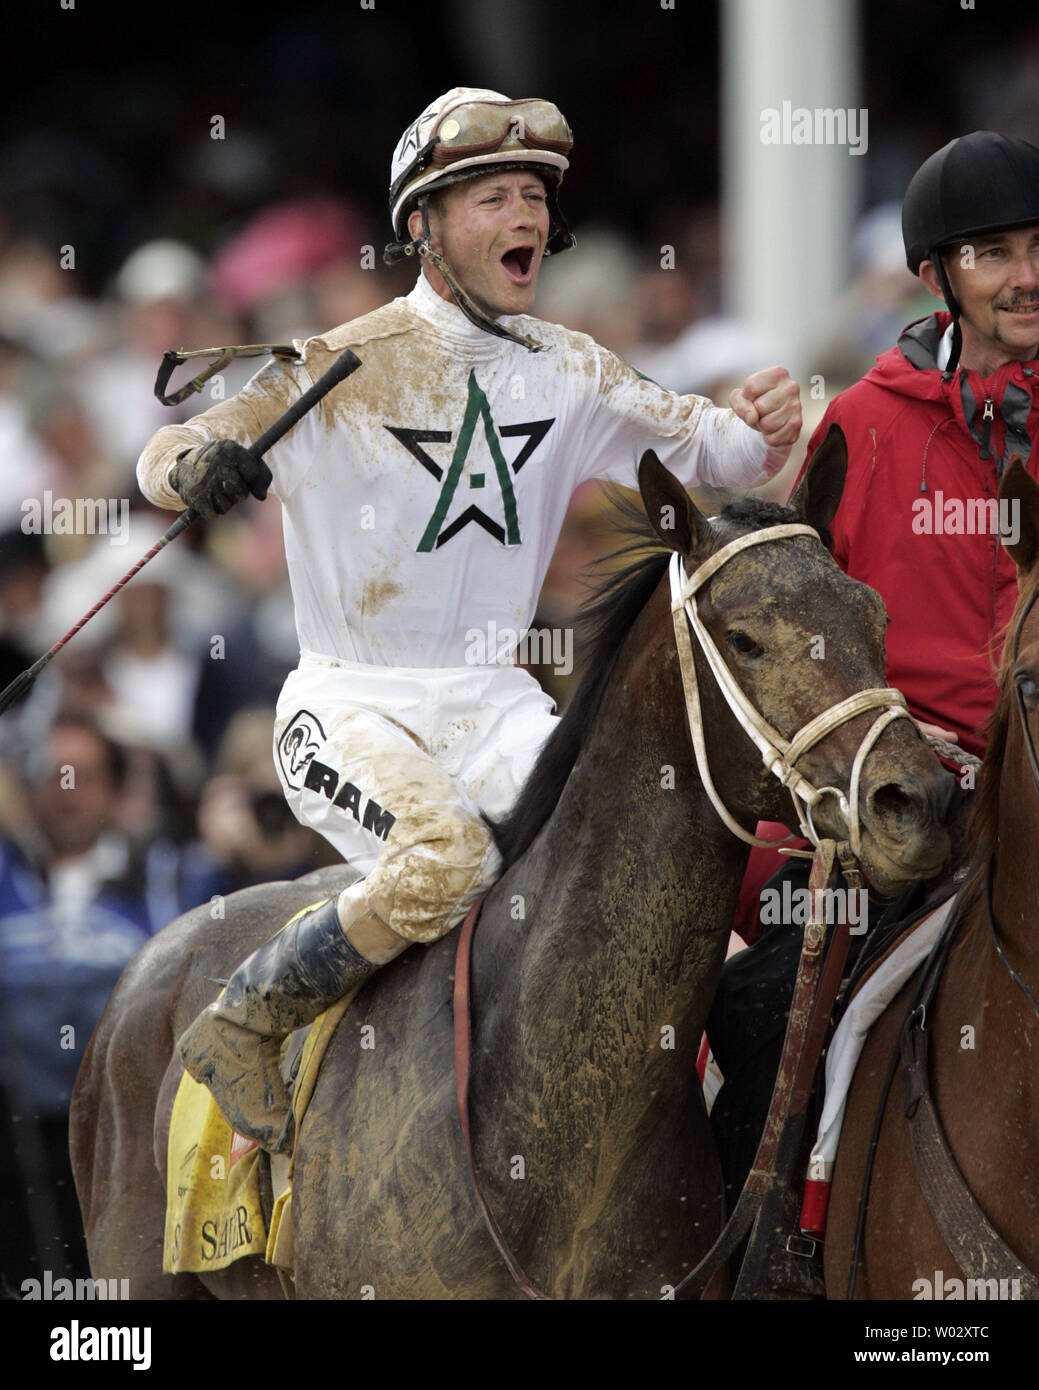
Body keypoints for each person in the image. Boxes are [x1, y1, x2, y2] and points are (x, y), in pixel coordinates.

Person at [136, 86, 802, 1151]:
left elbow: (718, 453)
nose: (526, 216)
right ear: (423, 225)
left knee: (660, 903)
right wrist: (197, 464)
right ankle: (247, 1014)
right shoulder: (332, 365)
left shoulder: (569, 366)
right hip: (349, 708)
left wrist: (766, 425)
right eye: (493, 195)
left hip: (498, 710)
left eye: (535, 194)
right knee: (445, 864)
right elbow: (164, 454)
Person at [708, 129, 1039, 1205]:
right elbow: (792, 659)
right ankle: (764, 1257)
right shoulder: (856, 424)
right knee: (760, 1009)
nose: (1026, 276)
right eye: (992, 252)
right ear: (937, 274)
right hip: (907, 820)